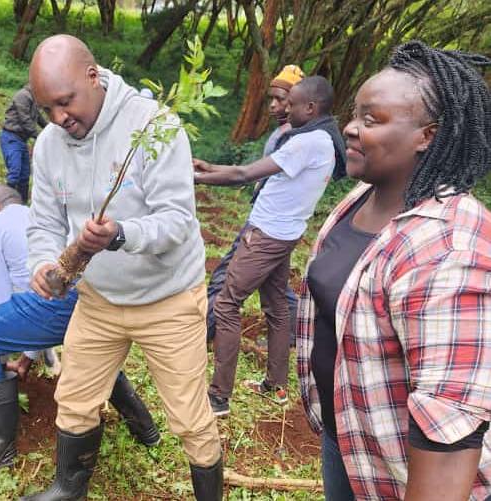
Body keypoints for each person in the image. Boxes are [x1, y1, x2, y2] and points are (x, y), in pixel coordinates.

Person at [22, 35, 223, 501]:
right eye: (47, 108)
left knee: (190, 418)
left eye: (65, 102)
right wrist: (45, 262)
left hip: (168, 299)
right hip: (99, 301)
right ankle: (68, 489)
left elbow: (177, 221)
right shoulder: (51, 145)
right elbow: (44, 222)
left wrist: (121, 234)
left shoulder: (155, 127)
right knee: (73, 400)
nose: (58, 118)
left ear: (93, 77)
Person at [297, 42, 491, 500]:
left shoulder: (449, 246)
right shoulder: (361, 199)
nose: (349, 127)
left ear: (427, 135)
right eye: (354, 114)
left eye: (372, 119)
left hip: (409, 470)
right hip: (351, 437)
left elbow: (449, 427)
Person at [0, 185, 160, 477]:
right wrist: (27, 358)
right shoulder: (37, 217)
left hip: (60, 302)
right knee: (88, 351)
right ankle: (146, 430)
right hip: (99, 294)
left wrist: (1, 363)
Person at [194, 76, 346, 414]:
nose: (285, 109)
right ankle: (276, 386)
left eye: (292, 104)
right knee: (277, 308)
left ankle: (218, 397)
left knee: (227, 304)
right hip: (285, 234)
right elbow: (249, 171)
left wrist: (195, 177)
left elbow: (244, 174)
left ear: (311, 107)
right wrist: (210, 167)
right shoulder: (322, 140)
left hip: (264, 236)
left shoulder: (306, 143)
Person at [205, 64, 305, 345]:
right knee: (274, 283)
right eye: (271, 99)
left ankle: (204, 331)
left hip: (267, 222)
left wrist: (202, 176)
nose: (273, 106)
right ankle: (300, 331)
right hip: (274, 221)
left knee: (228, 276)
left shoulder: (294, 138)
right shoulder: (287, 133)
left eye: (280, 100)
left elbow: (246, 173)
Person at [0, 83, 48, 203]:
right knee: (15, 172)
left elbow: (39, 118)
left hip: (22, 140)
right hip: (11, 137)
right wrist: (40, 136)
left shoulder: (34, 98)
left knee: (25, 175)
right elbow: (25, 119)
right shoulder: (23, 96)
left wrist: (51, 129)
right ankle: (7, 202)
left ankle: (22, 205)